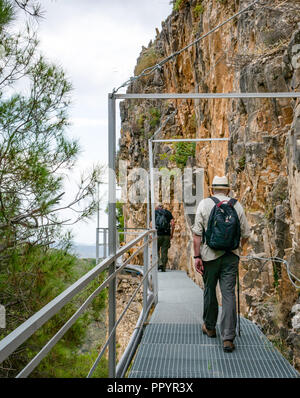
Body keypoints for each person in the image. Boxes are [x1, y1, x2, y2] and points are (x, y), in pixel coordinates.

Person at [192, 175, 250, 353]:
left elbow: (197, 235)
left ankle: (210, 327)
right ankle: (228, 338)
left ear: (212, 189)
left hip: (210, 256)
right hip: (230, 256)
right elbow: (245, 234)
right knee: (228, 294)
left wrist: (197, 257)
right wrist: (238, 251)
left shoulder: (204, 204)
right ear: (227, 189)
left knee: (209, 290)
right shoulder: (236, 205)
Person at [155, 204, 175, 272]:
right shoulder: (168, 212)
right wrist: (171, 234)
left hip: (157, 235)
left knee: (155, 250)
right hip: (166, 235)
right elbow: (173, 224)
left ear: (157, 208)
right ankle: (163, 267)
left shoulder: (155, 212)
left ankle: (159, 263)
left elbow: (151, 224)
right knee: (164, 252)